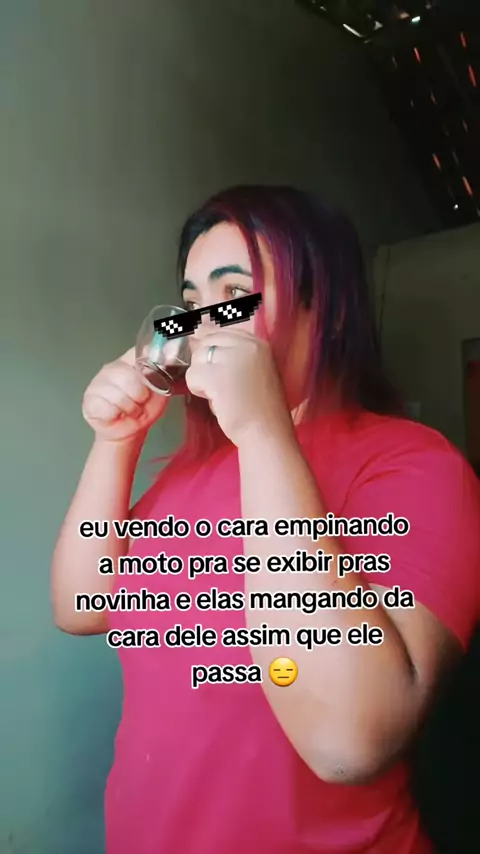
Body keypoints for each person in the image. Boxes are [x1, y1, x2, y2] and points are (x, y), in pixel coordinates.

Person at [51, 185, 480, 854]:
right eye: (191, 303)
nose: (200, 325)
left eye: (233, 294)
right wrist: (117, 441)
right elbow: (82, 606)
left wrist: (262, 433)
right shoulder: (185, 474)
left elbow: (347, 742)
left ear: (325, 309)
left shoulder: (414, 465)